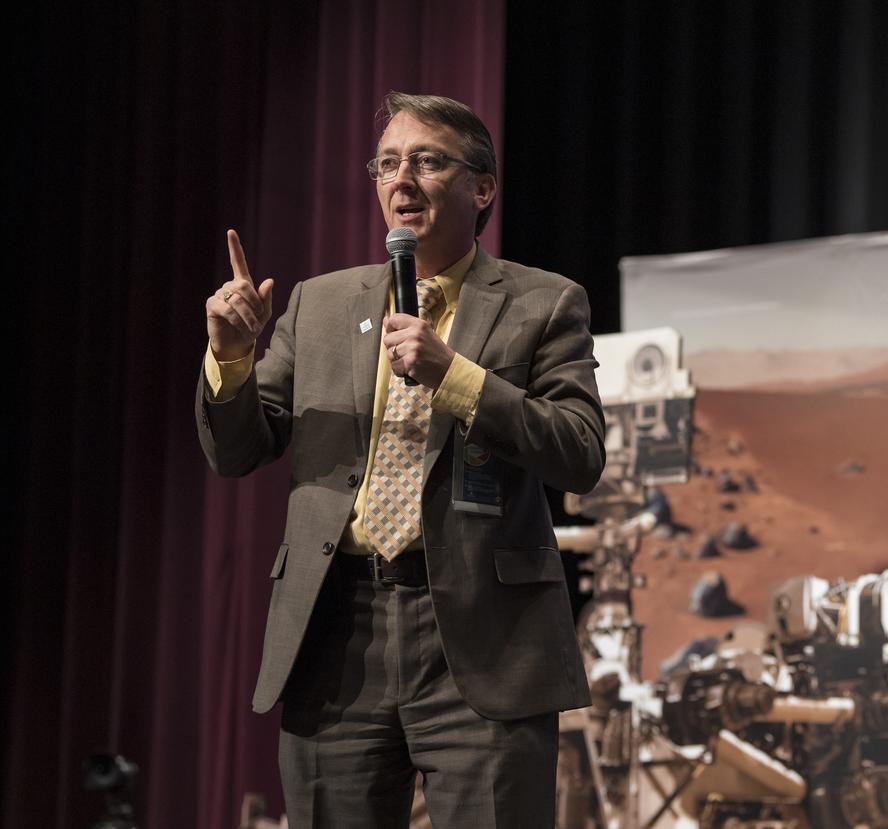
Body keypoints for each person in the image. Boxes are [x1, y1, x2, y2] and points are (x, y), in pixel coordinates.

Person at [196, 92, 604, 828]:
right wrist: (229, 356)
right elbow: (238, 451)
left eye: (426, 160)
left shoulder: (544, 302)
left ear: (481, 188)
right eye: (387, 163)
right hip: (336, 630)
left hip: (484, 637)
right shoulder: (318, 305)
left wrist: (457, 375)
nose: (401, 179)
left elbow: (580, 451)